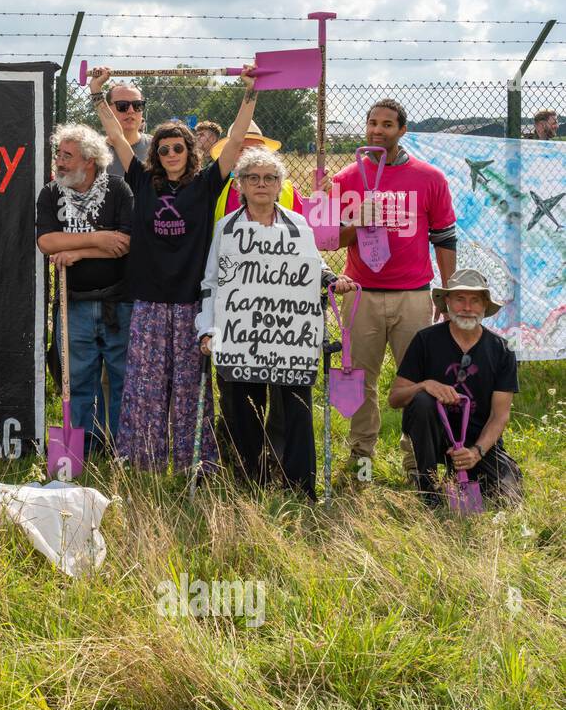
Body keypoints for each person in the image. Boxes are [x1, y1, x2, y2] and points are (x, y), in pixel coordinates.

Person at [88, 63, 259, 473]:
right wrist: (98, 94)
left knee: (189, 388)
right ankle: (142, 460)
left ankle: (192, 462)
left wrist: (250, 92)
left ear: (190, 151)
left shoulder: (206, 185)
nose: (169, 155)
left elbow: (235, 141)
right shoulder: (142, 182)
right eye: (162, 149)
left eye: (177, 148)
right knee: (145, 387)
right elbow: (115, 135)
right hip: (147, 300)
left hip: (189, 303)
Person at [196, 147, 355, 499]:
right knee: (241, 411)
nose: (262, 184)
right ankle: (248, 485)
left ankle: (299, 488)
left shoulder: (297, 225)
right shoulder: (226, 228)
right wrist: (207, 329)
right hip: (240, 335)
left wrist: (332, 280)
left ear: (280, 184)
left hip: (289, 337)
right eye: (253, 178)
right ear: (240, 184)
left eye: (270, 178)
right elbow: (212, 284)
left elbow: (312, 270)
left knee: (294, 411)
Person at [328, 98, 457, 481]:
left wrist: (446, 292)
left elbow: (445, 236)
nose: (377, 130)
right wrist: (356, 222)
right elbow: (332, 239)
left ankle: (418, 462)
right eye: (372, 123)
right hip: (362, 294)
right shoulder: (346, 178)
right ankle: (362, 459)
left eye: (387, 124)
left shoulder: (429, 177)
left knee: (417, 381)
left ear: (402, 130)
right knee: (360, 379)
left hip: (413, 294)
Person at [35, 123, 134, 452]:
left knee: (121, 378)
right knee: (76, 380)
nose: (59, 162)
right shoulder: (51, 193)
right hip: (73, 302)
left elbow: (125, 244)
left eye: (67, 156)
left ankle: (121, 447)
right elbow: (48, 241)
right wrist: (97, 239)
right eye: (58, 155)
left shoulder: (118, 190)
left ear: (89, 160)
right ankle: (81, 449)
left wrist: (77, 251)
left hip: (118, 302)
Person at [387, 269, 521, 506]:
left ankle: (461, 471)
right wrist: (424, 385)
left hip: (476, 440)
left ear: (484, 306)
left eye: (475, 300)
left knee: (509, 497)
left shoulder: (502, 350)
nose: (467, 307)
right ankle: (426, 486)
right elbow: (395, 398)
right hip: (434, 437)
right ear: (447, 302)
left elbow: (500, 415)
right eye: (459, 299)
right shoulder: (425, 340)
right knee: (421, 400)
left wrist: (476, 452)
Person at [97, 82, 152, 178]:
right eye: (122, 105)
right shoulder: (94, 151)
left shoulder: (157, 147)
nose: (131, 111)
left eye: (137, 105)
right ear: (107, 109)